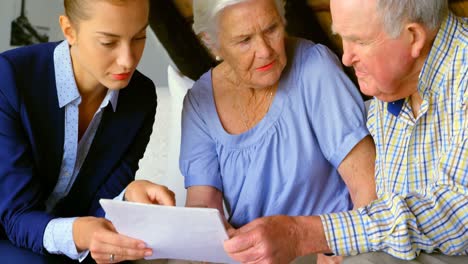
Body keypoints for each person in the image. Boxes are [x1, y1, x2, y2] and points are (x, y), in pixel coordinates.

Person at [222, 0, 468, 263]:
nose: (346, 57)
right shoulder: (393, 81)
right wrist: (339, 247)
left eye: (359, 41)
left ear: (413, 37)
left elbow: (455, 214)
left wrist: (306, 234)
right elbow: (384, 204)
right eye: (343, 38)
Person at [180, 0, 376, 262]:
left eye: (271, 29)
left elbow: (368, 187)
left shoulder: (315, 68)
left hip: (324, 248)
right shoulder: (199, 102)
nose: (264, 51)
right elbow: (203, 208)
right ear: (212, 43)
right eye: (244, 40)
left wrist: (343, 249)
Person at [0, 0, 176, 263]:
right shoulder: (9, 78)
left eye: (139, 37)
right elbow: (15, 216)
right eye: (108, 42)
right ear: (69, 30)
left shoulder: (141, 97)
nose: (128, 60)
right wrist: (77, 232)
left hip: (76, 245)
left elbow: (102, 205)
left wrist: (128, 196)